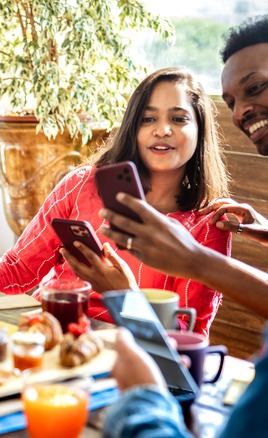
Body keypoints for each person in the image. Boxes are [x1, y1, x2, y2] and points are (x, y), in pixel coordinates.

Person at [0, 67, 230, 336]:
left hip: (129, 359)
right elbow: (13, 272)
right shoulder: (81, 185)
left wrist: (123, 294)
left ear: (200, 130)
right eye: (148, 118)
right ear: (133, 128)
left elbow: (186, 338)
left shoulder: (209, 225)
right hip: (48, 334)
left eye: (178, 118)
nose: (162, 129)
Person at [100, 15, 268, 437]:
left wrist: (141, 395)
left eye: (257, 86)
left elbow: (182, 345)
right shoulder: (80, 185)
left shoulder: (207, 223)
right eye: (230, 101)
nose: (243, 110)